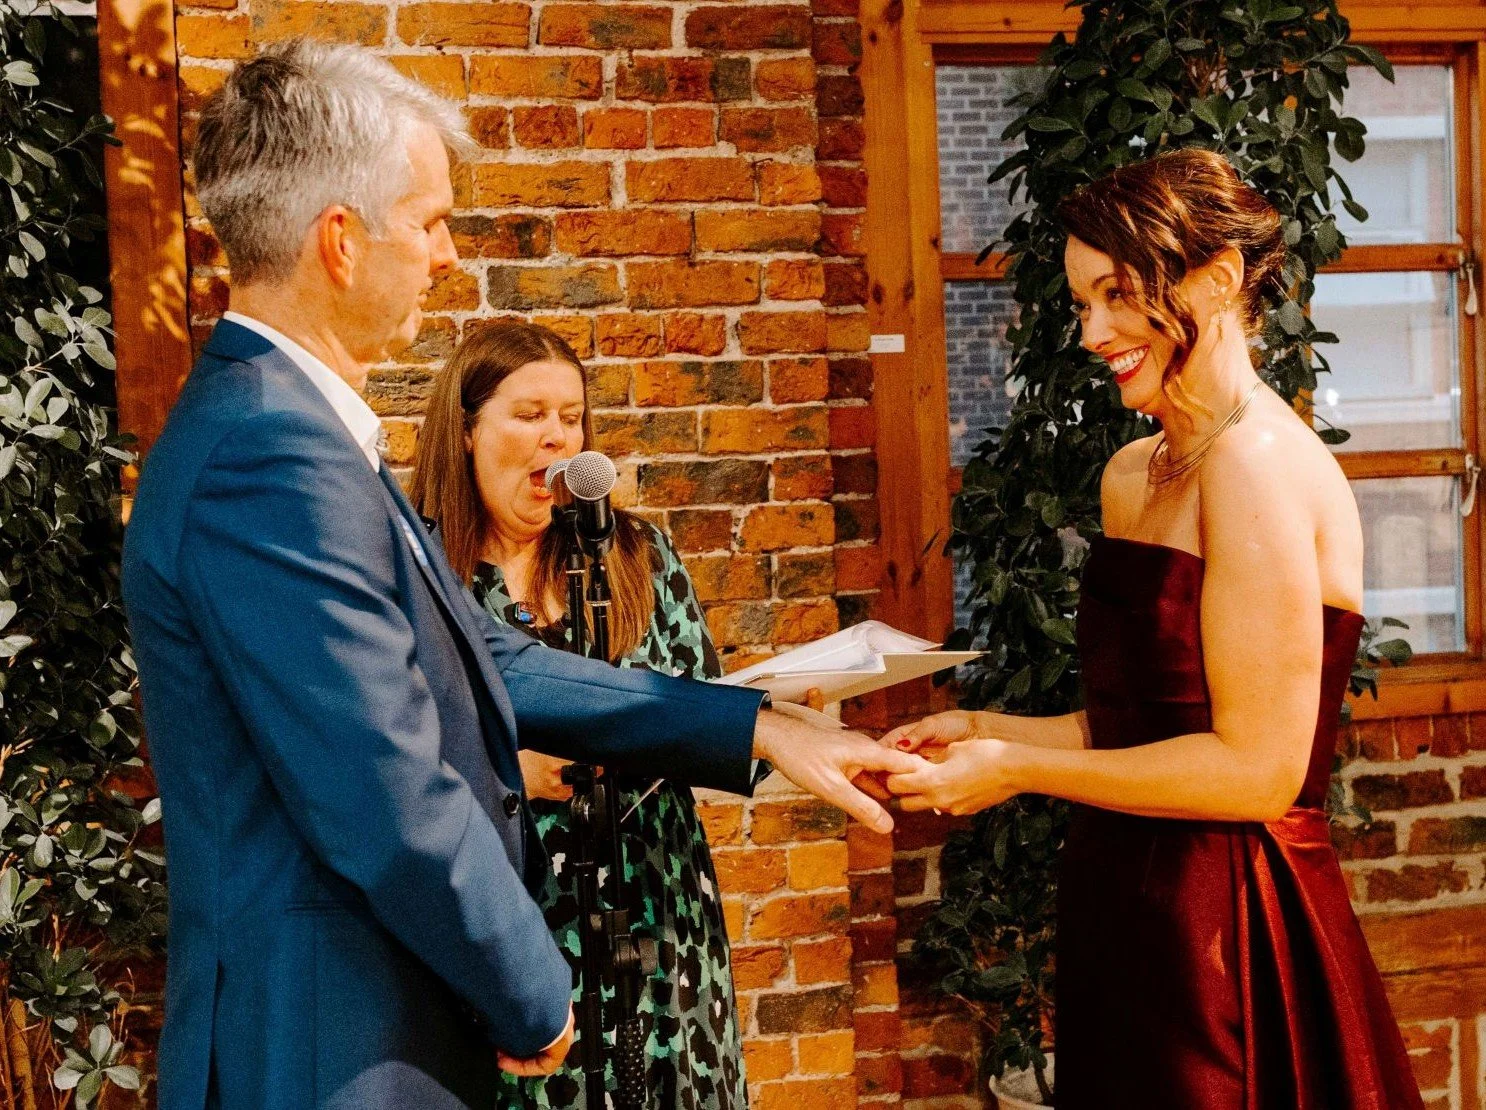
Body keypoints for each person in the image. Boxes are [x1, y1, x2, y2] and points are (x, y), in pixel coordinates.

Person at [120, 40, 922, 1110]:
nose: (448, 256)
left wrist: (755, 726)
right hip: (329, 1052)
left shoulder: (287, 428)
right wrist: (533, 991)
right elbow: (387, 796)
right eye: (432, 221)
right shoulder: (270, 456)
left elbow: (479, 653)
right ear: (343, 243)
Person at [882, 149, 1422, 1109]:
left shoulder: (1258, 465)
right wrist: (990, 732)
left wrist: (1018, 771)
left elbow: (1257, 772)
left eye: (1118, 295)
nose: (1092, 331)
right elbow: (1140, 733)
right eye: (1083, 302)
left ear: (1216, 280)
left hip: (1229, 933)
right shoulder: (1134, 472)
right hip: (1125, 908)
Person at [411, 320, 752, 1108]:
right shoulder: (427, 577)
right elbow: (395, 756)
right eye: (529, 415)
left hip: (657, 916)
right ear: (466, 432)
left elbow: (703, 706)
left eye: (571, 417)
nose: (556, 438)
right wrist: (507, 773)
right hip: (516, 925)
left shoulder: (634, 555)